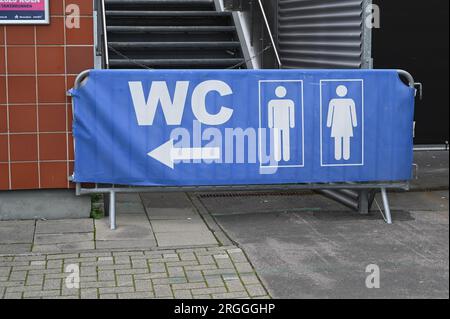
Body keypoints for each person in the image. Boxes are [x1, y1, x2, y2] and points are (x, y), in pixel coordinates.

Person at [326, 85, 358, 161]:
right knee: (342, 139)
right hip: (342, 124)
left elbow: (353, 113)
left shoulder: (348, 101)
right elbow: (330, 113)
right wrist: (354, 123)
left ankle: (342, 156)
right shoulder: (334, 101)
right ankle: (341, 156)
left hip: (342, 124)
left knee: (343, 139)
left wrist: (329, 124)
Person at [268, 86, 295, 162]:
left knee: (286, 140)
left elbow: (291, 113)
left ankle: (286, 156)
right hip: (277, 125)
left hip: (285, 124)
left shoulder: (289, 102)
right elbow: (270, 113)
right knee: (277, 140)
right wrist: (270, 124)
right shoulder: (272, 102)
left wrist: (291, 123)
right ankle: (277, 157)